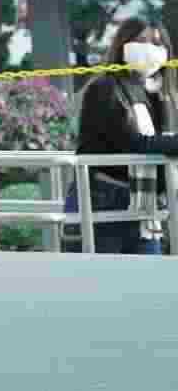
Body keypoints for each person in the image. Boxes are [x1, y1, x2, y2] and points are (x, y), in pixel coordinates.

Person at [75, 21, 175, 255]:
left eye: (157, 43)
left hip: (143, 205)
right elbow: (134, 144)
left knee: (150, 276)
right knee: (104, 276)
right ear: (122, 44)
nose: (149, 48)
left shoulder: (154, 94)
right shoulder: (106, 88)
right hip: (105, 199)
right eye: (141, 41)